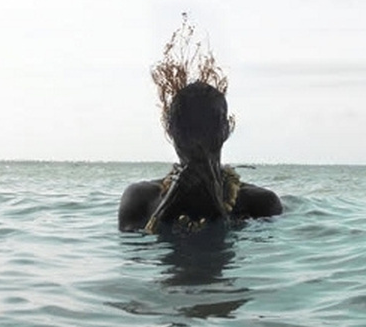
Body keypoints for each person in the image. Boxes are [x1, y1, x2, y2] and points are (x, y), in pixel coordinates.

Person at [118, 81, 282, 233]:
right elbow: (134, 250)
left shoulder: (261, 203)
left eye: (207, 127)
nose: (197, 141)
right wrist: (168, 208)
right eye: (187, 128)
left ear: (225, 128)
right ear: (171, 130)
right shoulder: (140, 198)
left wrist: (217, 210)